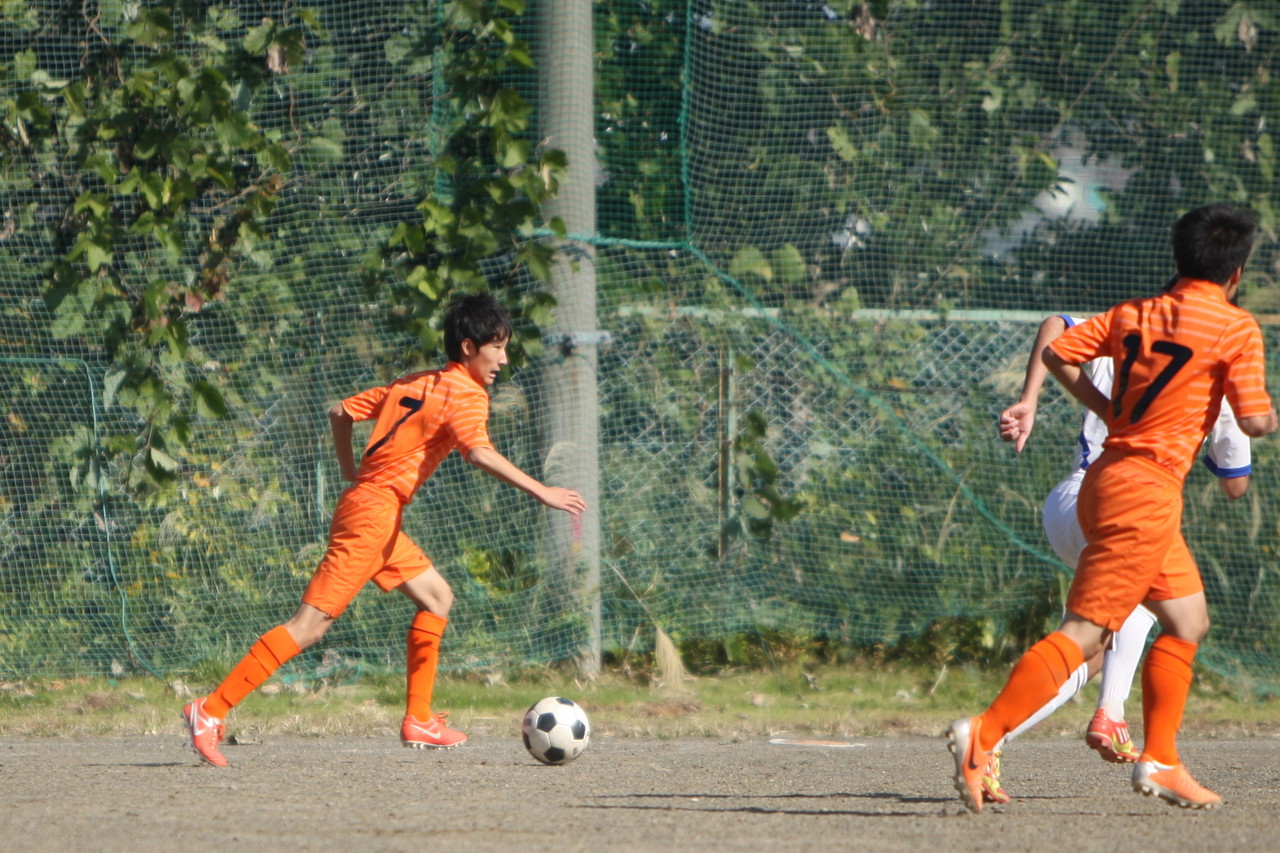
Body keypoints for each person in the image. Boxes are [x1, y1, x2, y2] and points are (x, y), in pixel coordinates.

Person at [947, 202, 1277, 812]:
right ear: (1236, 274)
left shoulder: (1134, 313)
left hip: (1109, 477)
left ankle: (1161, 760)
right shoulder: (1235, 328)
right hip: (1144, 492)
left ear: (1179, 258)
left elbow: (1057, 352)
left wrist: (1105, 410)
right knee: (1088, 631)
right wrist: (1254, 407)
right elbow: (1255, 421)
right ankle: (984, 736)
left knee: (1186, 619)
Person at [183, 293, 587, 767]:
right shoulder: (467, 392)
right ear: (467, 348)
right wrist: (543, 491)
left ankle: (419, 718)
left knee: (437, 597)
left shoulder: (414, 382)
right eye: (496, 347)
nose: (503, 358)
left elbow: (339, 412)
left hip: (373, 509)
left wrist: (350, 469)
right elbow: (478, 453)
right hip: (373, 515)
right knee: (310, 627)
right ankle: (210, 710)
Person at [983, 307, 1252, 804]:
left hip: (1074, 499)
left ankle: (1109, 716)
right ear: (1233, 279)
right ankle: (998, 736)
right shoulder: (1226, 359)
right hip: (1126, 502)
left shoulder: (1136, 325)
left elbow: (1055, 328)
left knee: (1125, 622)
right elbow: (1235, 484)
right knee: (1127, 624)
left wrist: (1029, 400)